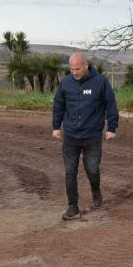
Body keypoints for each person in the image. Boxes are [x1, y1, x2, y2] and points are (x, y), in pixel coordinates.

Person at [52, 52, 119, 221]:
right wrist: (56, 126)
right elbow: (58, 105)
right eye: (72, 69)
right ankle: (73, 206)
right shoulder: (66, 83)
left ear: (86, 65)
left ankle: (95, 189)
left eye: (77, 68)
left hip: (92, 135)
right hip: (71, 136)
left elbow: (110, 104)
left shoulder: (100, 82)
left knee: (92, 169)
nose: (74, 72)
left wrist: (112, 127)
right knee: (69, 172)